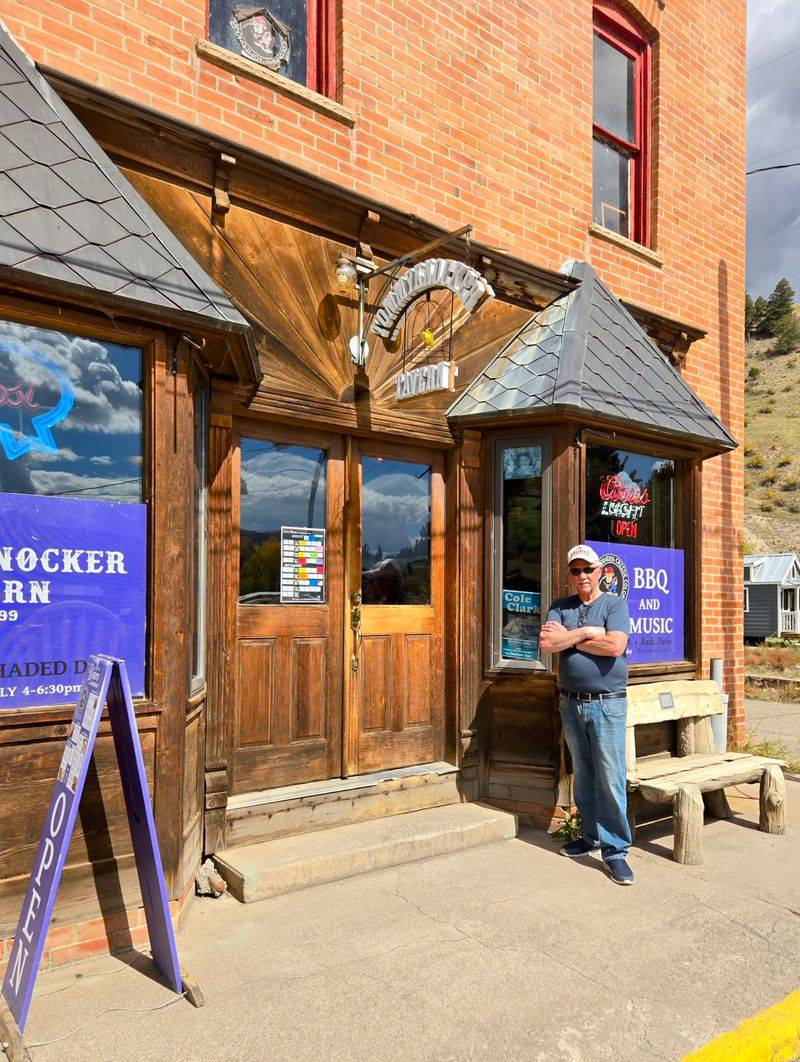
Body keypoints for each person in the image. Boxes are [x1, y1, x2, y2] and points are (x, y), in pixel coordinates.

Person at [539, 544, 634, 885]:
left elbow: (615, 646)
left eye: (588, 569)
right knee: (583, 773)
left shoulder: (614, 604)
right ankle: (590, 836)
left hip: (607, 703)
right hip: (571, 702)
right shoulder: (560, 606)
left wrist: (567, 639)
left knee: (609, 776)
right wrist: (584, 633)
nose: (582, 576)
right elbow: (547, 645)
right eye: (575, 570)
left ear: (600, 572)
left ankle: (616, 850)